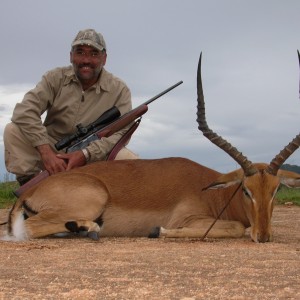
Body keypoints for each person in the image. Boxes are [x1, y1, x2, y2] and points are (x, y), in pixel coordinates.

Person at [4, 28, 138, 186]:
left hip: (93, 153)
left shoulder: (119, 90)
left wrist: (86, 153)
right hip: (53, 148)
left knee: (130, 161)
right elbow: (24, 112)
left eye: (94, 54)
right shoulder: (55, 78)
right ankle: (32, 189)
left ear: (104, 58)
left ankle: (114, 204)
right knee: (13, 130)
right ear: (71, 56)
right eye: (80, 52)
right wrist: (46, 152)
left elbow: (122, 133)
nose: (86, 60)